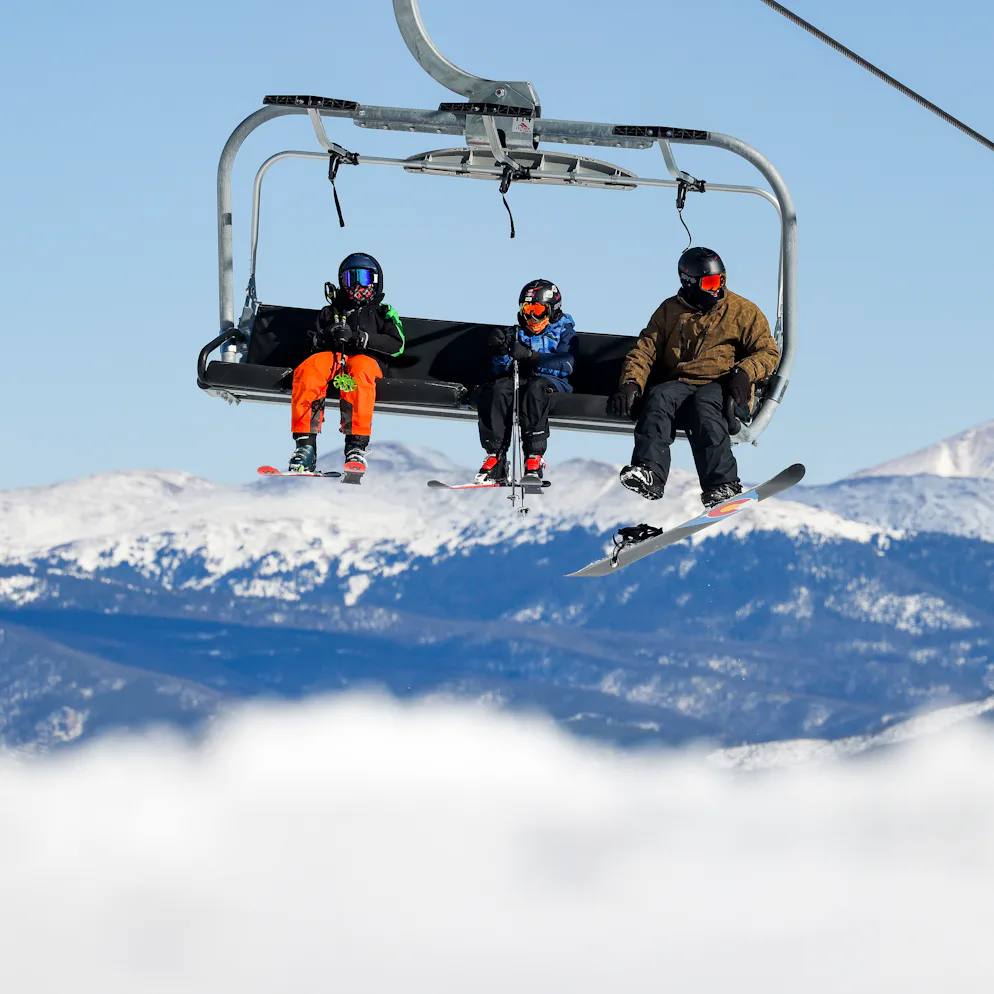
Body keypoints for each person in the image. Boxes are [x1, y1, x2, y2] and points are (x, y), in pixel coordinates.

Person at [607, 247, 780, 507]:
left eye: (721, 280)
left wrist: (745, 373)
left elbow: (768, 352)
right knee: (658, 397)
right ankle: (650, 472)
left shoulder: (742, 311)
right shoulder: (670, 311)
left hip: (722, 383)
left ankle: (722, 484)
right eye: (710, 282)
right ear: (689, 282)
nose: (717, 288)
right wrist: (631, 383)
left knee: (705, 405)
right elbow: (645, 350)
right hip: (680, 383)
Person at [288, 253, 405, 475]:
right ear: (342, 282)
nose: (359, 285)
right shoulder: (331, 311)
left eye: (365, 278)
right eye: (352, 279)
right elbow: (310, 340)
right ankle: (305, 445)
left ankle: (356, 446)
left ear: (376, 282)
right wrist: (328, 336)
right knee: (309, 369)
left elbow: (397, 344)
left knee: (359, 373)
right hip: (333, 357)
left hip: (366, 360)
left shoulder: (383, 312)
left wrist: (365, 339)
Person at [475, 279, 579, 483]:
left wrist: (532, 356)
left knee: (535, 390)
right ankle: (496, 457)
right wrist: (501, 351)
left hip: (551, 382)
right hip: (520, 380)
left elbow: (567, 364)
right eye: (527, 310)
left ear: (552, 310)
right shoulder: (516, 333)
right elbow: (500, 369)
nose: (532, 317)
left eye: (538, 310)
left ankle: (534, 457)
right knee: (497, 389)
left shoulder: (564, 332)